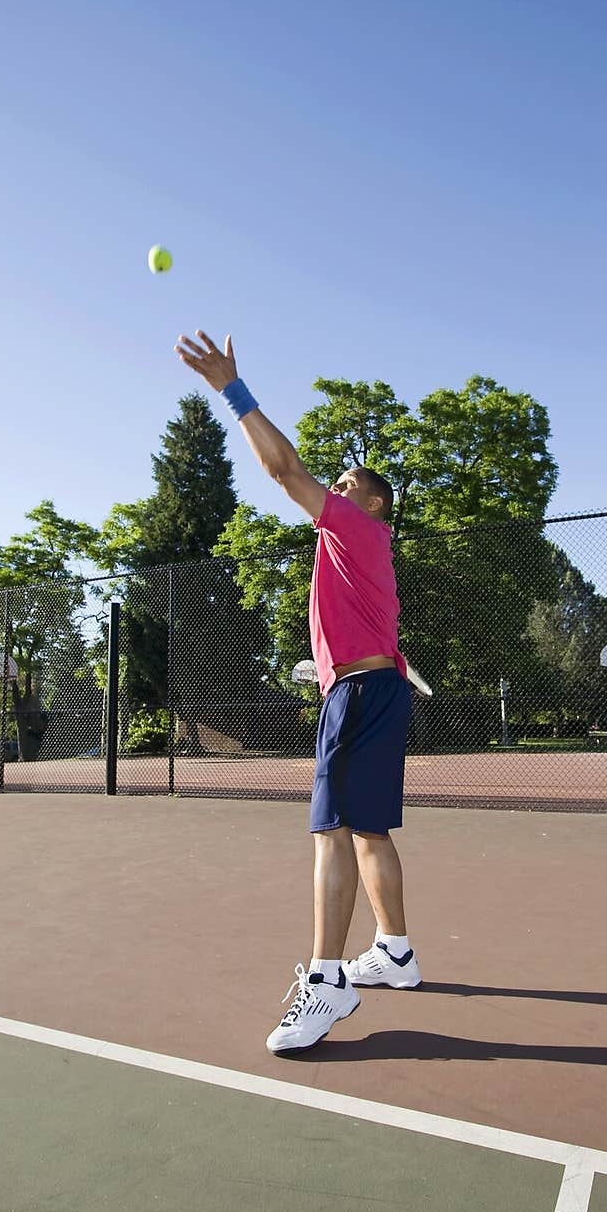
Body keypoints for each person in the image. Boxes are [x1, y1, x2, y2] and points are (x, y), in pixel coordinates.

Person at [175, 331, 421, 1054]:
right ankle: (395, 953)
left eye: (348, 484)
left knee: (331, 833)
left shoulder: (356, 527)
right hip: (375, 685)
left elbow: (283, 470)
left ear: (374, 504)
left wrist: (233, 389)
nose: (335, 489)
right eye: (337, 484)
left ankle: (328, 981)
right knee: (367, 829)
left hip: (363, 692)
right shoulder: (357, 547)